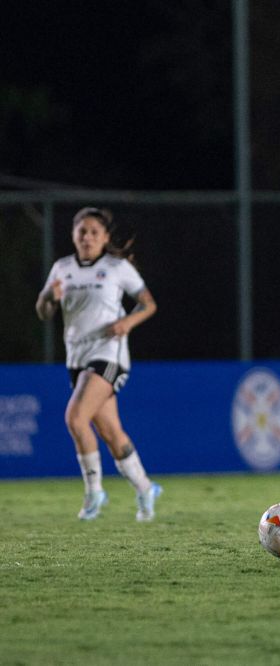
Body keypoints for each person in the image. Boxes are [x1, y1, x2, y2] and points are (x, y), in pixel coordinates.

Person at [35, 207, 162, 522]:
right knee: (110, 432)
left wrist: (128, 323)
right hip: (77, 357)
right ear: (73, 235)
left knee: (76, 418)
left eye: (94, 232)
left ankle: (94, 493)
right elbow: (43, 312)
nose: (87, 236)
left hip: (109, 353)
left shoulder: (116, 267)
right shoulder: (62, 268)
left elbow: (148, 304)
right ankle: (145, 488)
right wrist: (48, 296)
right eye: (82, 231)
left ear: (105, 237)